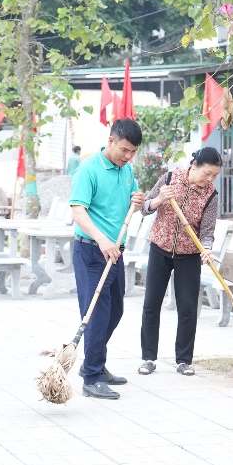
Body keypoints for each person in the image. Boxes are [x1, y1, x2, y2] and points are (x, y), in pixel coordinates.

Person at [69, 118, 146, 400]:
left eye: (132, 152)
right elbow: (78, 211)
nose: (128, 157)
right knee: (96, 315)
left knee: (115, 312)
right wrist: (102, 239)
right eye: (124, 150)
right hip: (91, 250)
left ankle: (96, 364)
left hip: (116, 253)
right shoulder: (87, 170)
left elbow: (131, 203)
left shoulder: (125, 171)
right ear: (111, 140)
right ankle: (91, 377)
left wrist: (138, 201)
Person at [138, 146, 222, 376]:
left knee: (187, 308)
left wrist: (206, 248)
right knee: (151, 304)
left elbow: (207, 231)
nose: (210, 179)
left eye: (215, 175)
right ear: (194, 166)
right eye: (207, 173)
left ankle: (184, 360)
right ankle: (148, 357)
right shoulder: (169, 179)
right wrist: (158, 200)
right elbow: (145, 207)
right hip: (160, 248)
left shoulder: (211, 195)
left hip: (189, 255)